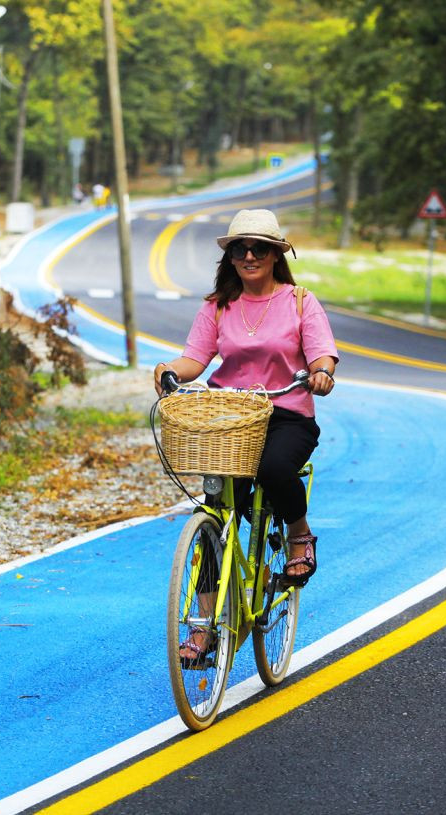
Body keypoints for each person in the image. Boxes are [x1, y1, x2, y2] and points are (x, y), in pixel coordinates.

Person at [154, 209, 338, 663]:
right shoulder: (218, 305)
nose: (250, 255)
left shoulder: (300, 301)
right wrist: (167, 370)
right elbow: (194, 361)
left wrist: (320, 374)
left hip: (287, 414)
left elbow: (323, 356)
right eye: (240, 248)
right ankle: (203, 628)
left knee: (274, 468)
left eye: (259, 247)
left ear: (277, 254)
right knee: (215, 517)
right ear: (231, 257)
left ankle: (299, 535)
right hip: (230, 420)